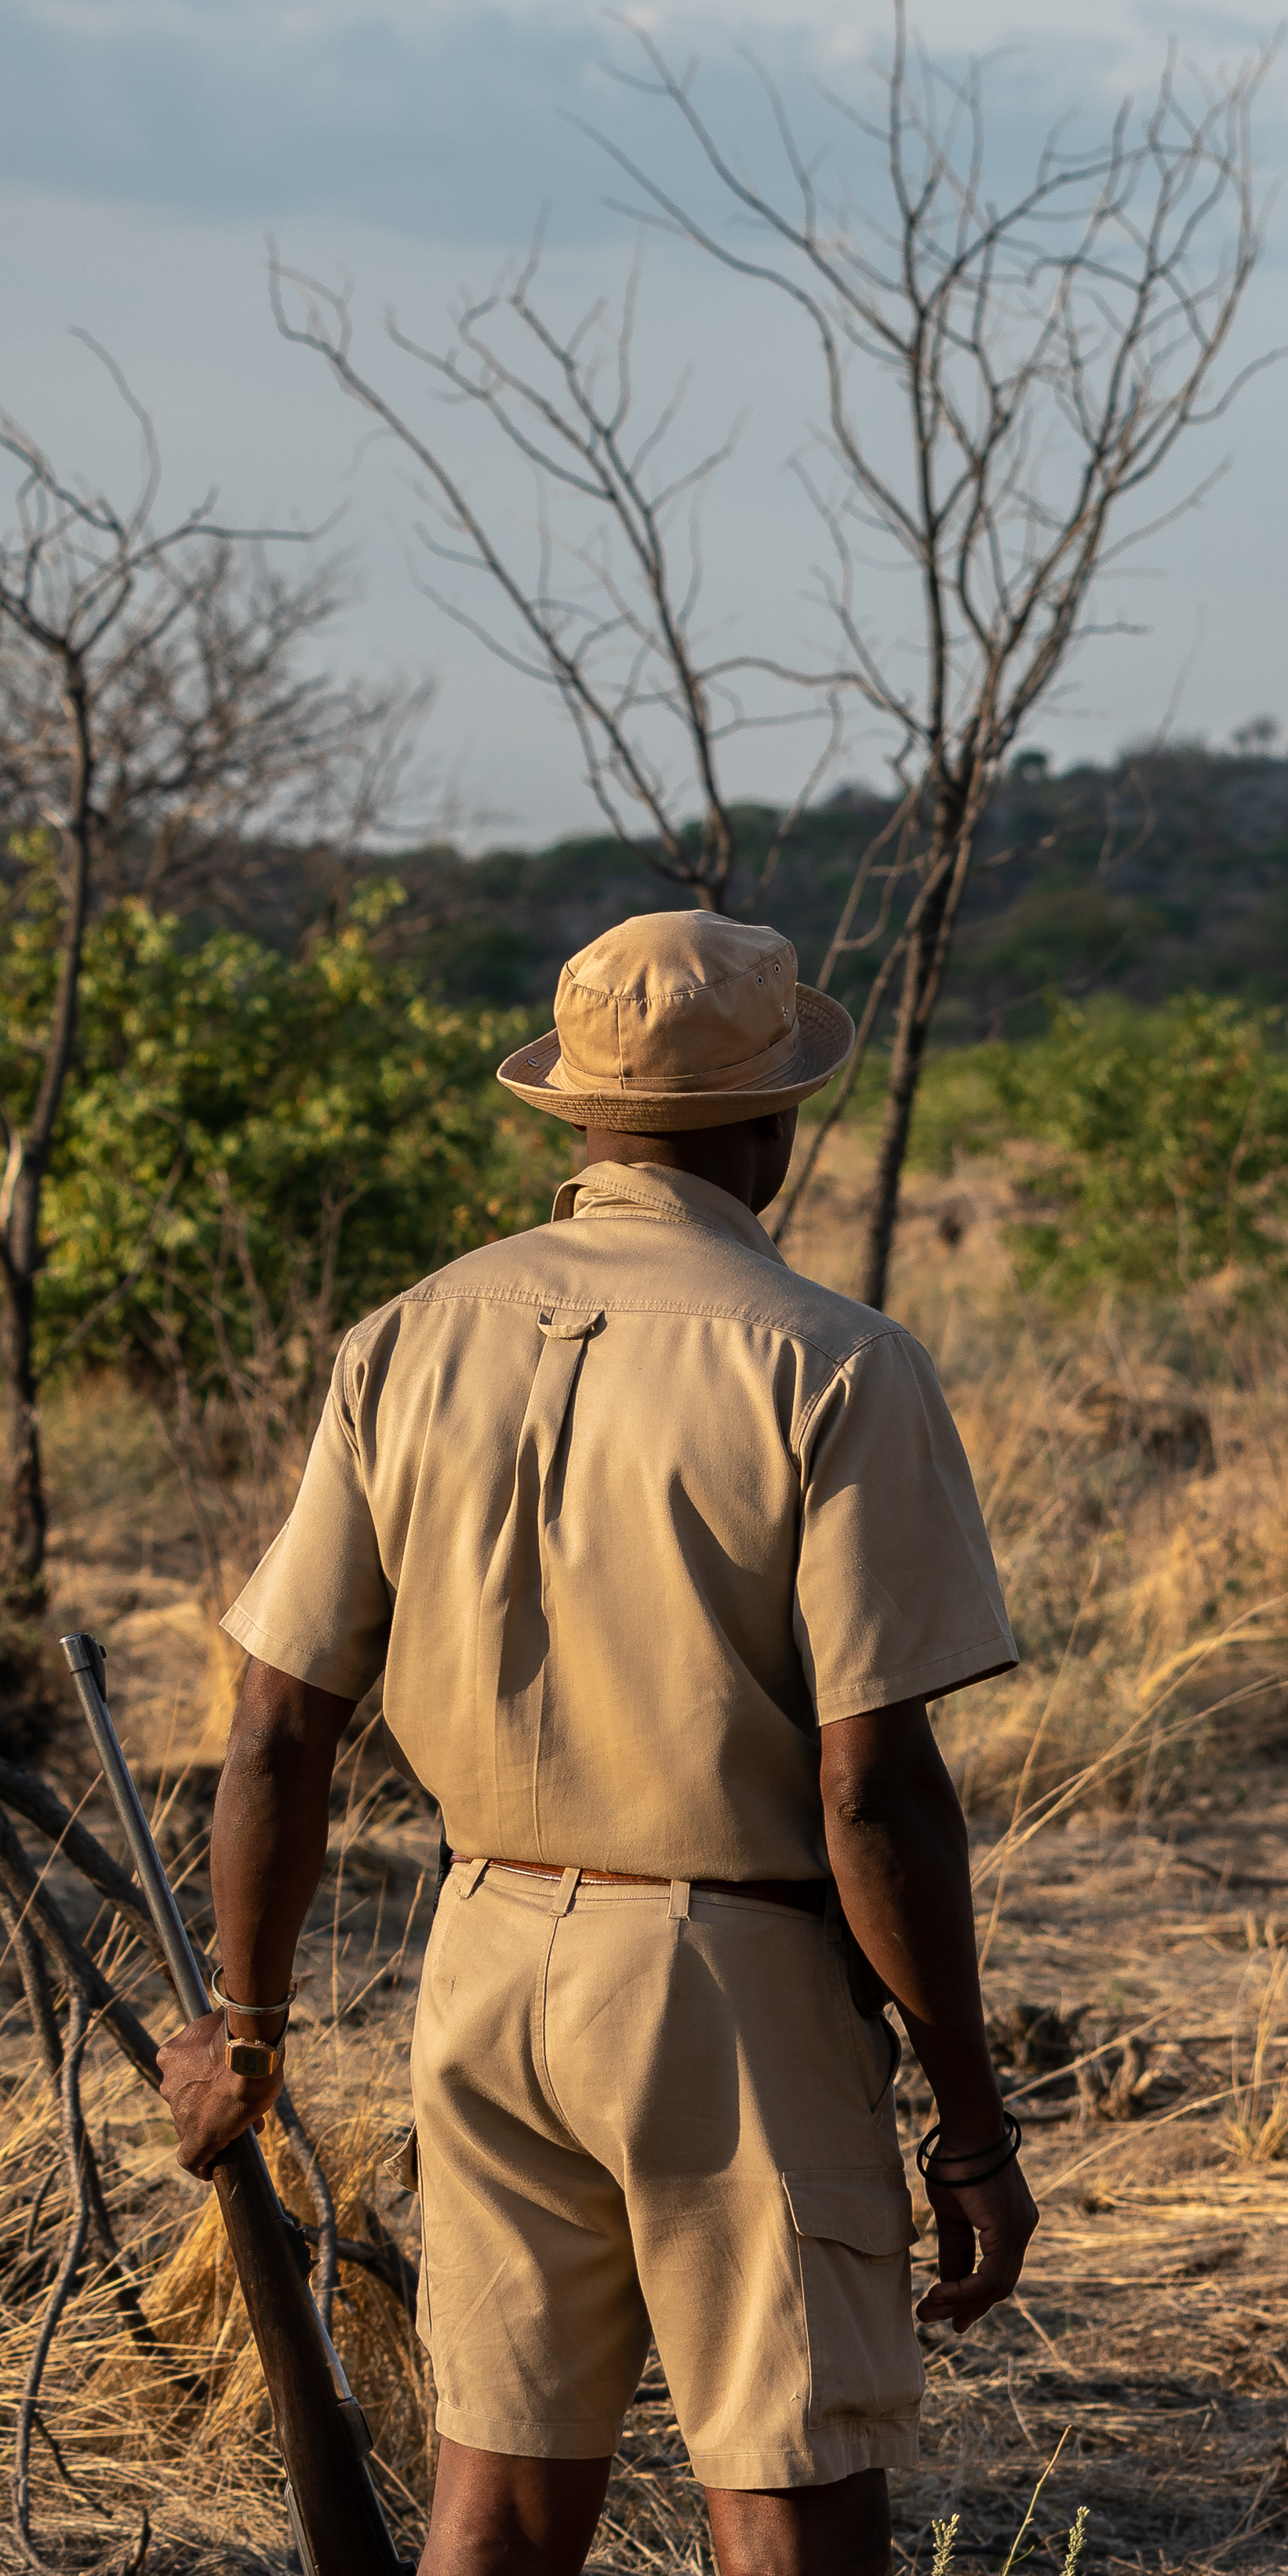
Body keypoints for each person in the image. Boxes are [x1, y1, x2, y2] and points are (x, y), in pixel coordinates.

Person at [157, 911, 1034, 2576]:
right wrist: (972, 2119)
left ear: (574, 1109)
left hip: (480, 1964)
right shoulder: (829, 1360)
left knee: (493, 2497)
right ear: (774, 1122)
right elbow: (870, 1782)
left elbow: (276, 1726)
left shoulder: (410, 1335)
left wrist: (247, 2023)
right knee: (783, 2498)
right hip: (735, 1987)